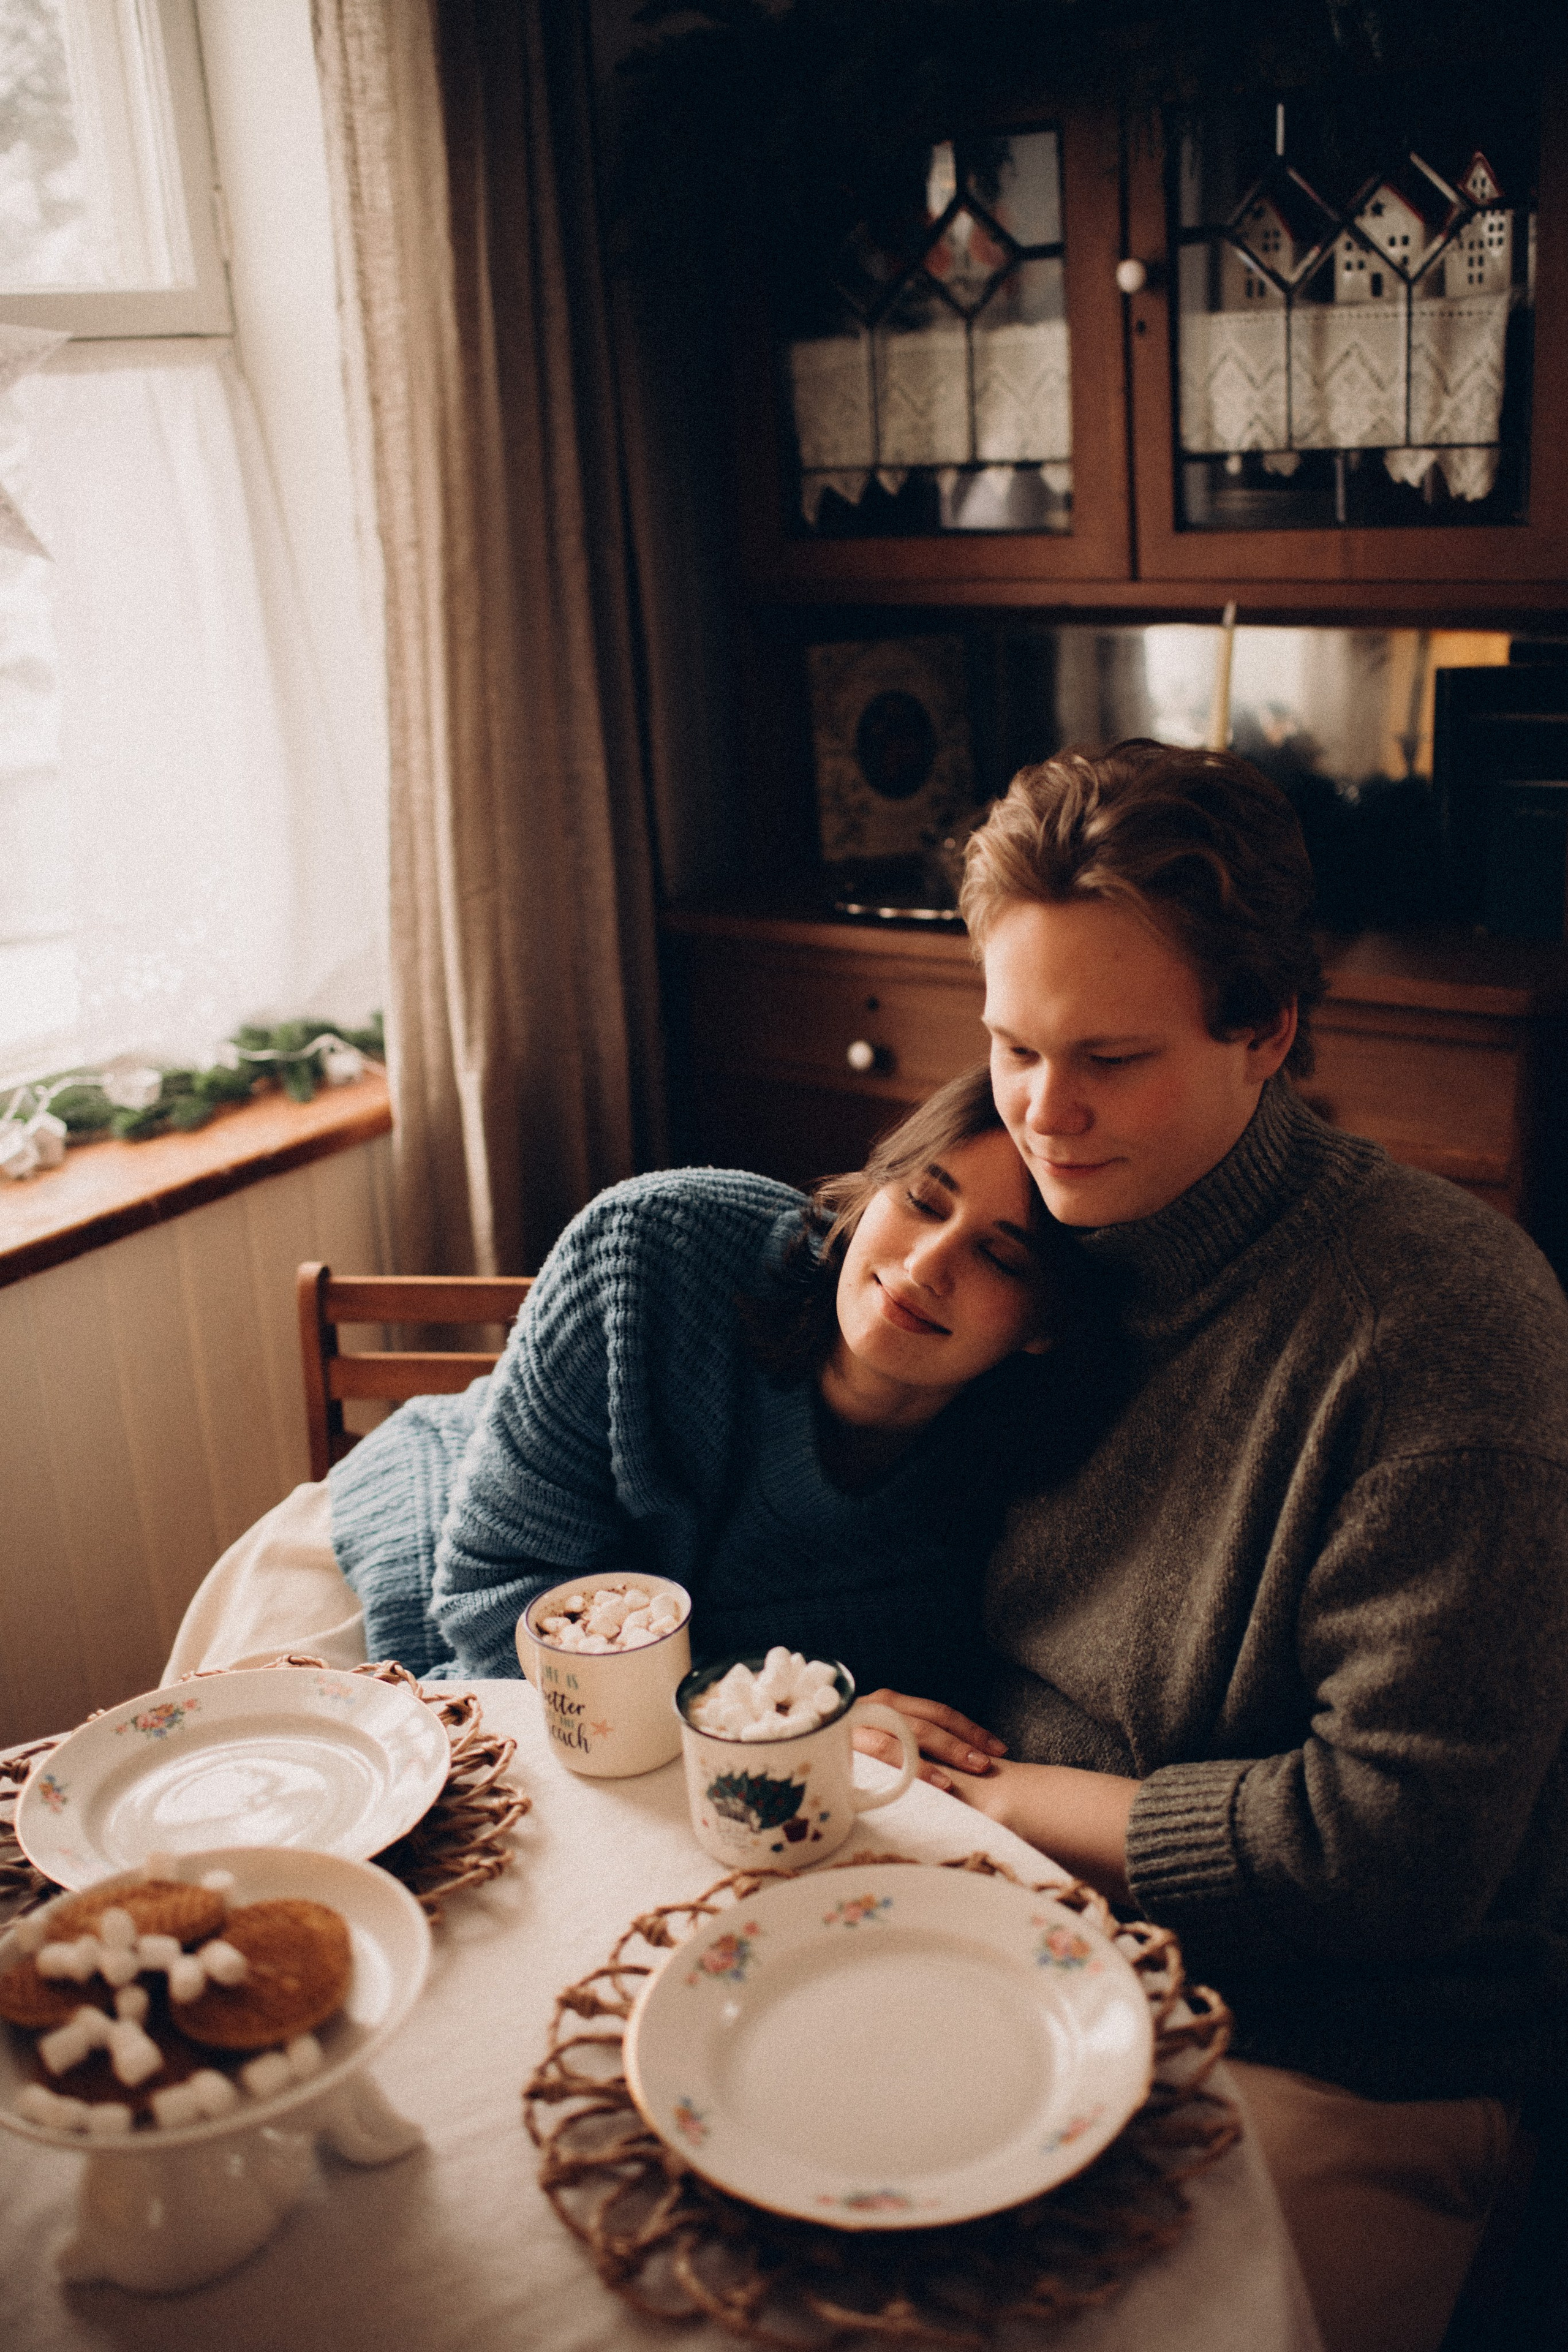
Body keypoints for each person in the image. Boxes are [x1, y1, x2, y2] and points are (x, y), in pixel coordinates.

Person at [884, 739, 1568, 2352]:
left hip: (1341, 2046)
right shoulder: (1028, 1244)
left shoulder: (1445, 1329)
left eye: (1109, 1058)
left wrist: (997, 1801)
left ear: (1267, 1033)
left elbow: (1391, 1859)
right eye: (1011, 1046)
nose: (1043, 1116)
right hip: (1016, 1934)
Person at [169, 1068, 1089, 1723]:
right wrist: (768, 1708)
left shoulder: (1025, 1481)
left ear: (1045, 1326)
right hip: (415, 1550)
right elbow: (496, 1600)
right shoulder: (651, 1247)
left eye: (1000, 1256)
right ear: (872, 1192)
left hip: (654, 1723)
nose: (927, 1267)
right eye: (923, 1203)